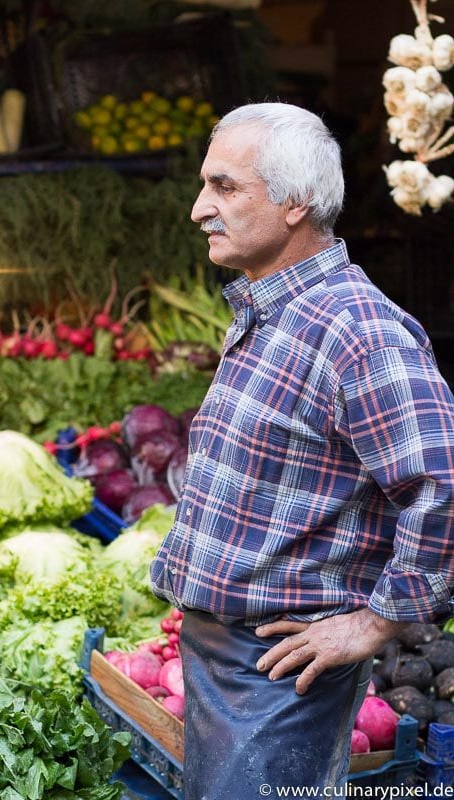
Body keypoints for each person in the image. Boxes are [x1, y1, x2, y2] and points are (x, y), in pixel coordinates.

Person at [150, 102, 454, 798]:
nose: (200, 208)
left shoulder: (356, 330)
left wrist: (377, 621)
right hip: (230, 660)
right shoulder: (272, 312)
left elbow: (442, 484)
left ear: (294, 203)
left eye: (224, 187)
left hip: (281, 673)